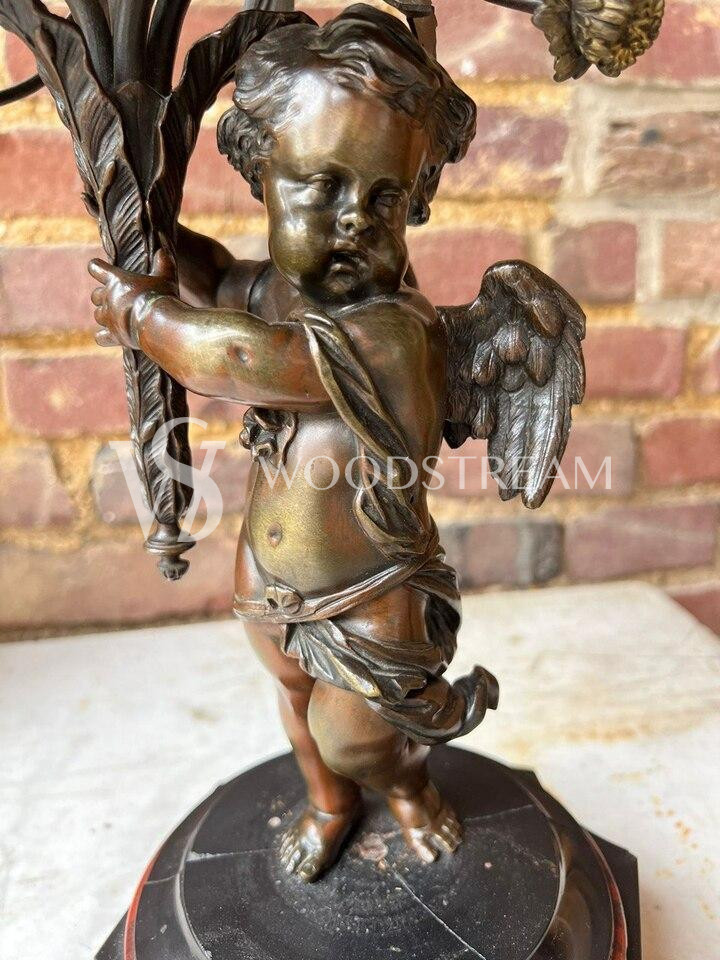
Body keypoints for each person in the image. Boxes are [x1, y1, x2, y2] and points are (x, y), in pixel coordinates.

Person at [88, 3, 497, 882]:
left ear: (418, 197)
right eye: (320, 185)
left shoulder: (393, 333)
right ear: (260, 174)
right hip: (269, 579)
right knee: (295, 700)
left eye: (385, 197)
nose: (355, 221)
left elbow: (240, 357)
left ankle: (404, 784)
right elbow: (215, 280)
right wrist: (153, 233)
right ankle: (329, 803)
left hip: (370, 593)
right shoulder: (278, 289)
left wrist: (141, 317)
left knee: (358, 734)